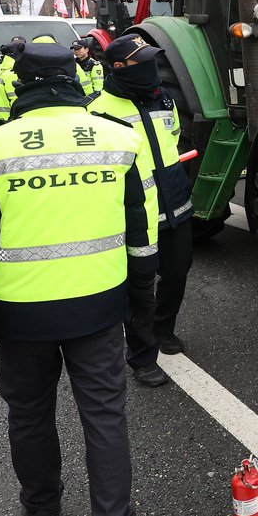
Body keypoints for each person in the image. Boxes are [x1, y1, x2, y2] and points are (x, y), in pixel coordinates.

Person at [0, 41, 157, 516]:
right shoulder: (119, 140)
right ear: (74, 77)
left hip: (21, 318)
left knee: (30, 414)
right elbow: (142, 232)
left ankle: (42, 514)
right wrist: (143, 300)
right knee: (105, 417)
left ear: (20, 83)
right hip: (99, 308)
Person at [90, 35, 194, 385]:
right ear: (118, 67)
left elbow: (174, 138)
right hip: (133, 214)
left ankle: (164, 329)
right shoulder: (97, 112)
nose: (152, 69)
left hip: (175, 203)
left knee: (177, 273)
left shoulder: (164, 99)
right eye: (142, 62)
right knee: (139, 285)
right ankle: (142, 357)